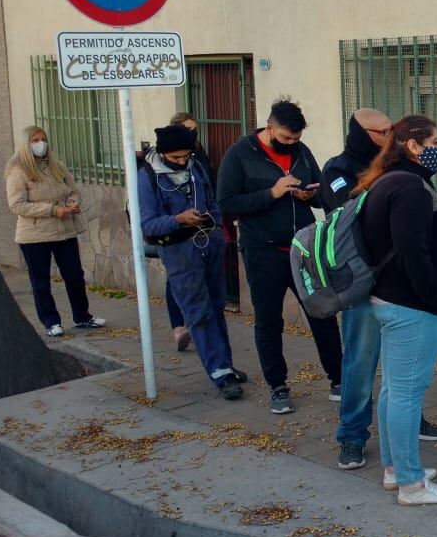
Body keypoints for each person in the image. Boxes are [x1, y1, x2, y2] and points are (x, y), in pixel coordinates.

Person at [327, 108, 437, 470]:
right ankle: (351, 436)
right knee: (361, 363)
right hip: (364, 285)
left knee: (401, 379)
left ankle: (405, 430)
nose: (385, 135)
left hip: (396, 289)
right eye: (379, 131)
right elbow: (348, 215)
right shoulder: (342, 170)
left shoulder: (405, 173)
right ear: (360, 132)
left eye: (389, 131)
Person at [356, 115, 437, 505]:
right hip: (412, 307)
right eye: (434, 140)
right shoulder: (408, 187)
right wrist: (435, 296)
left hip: (395, 302)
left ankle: (394, 470)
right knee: (406, 395)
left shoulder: (391, 179)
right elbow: (411, 251)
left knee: (394, 391)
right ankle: (411, 485)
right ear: (414, 146)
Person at [217, 99, 342, 415]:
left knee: (323, 314)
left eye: (296, 139)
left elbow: (316, 188)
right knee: (269, 321)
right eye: (286, 138)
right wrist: (272, 193)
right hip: (264, 251)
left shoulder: (300, 151)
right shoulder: (240, 155)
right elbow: (228, 203)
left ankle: (339, 380)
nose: (292, 144)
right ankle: (278, 386)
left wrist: (308, 195)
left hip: (303, 250)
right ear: (269, 128)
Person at [137, 125, 246, 400]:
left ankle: (226, 364)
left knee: (217, 306)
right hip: (178, 249)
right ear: (162, 154)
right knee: (198, 311)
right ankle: (220, 372)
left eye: (186, 155)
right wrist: (177, 219)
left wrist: (217, 229)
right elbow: (148, 223)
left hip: (209, 242)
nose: (183, 161)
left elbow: (211, 200)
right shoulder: (147, 177)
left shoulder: (195, 166)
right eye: (176, 157)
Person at [4, 126, 106, 337]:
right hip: (34, 236)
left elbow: (73, 190)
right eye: (35, 140)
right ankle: (51, 322)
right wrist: (51, 210)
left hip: (65, 231)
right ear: (26, 144)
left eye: (43, 139)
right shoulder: (17, 170)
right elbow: (17, 205)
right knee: (41, 281)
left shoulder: (56, 166)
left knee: (75, 275)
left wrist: (72, 204)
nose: (41, 144)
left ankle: (82, 316)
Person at [160, 112, 213, 353]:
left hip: (202, 228)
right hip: (175, 229)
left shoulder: (197, 155)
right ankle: (179, 326)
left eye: (195, 130)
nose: (193, 134)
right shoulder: (162, 163)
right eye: (188, 129)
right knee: (176, 279)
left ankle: (200, 324)